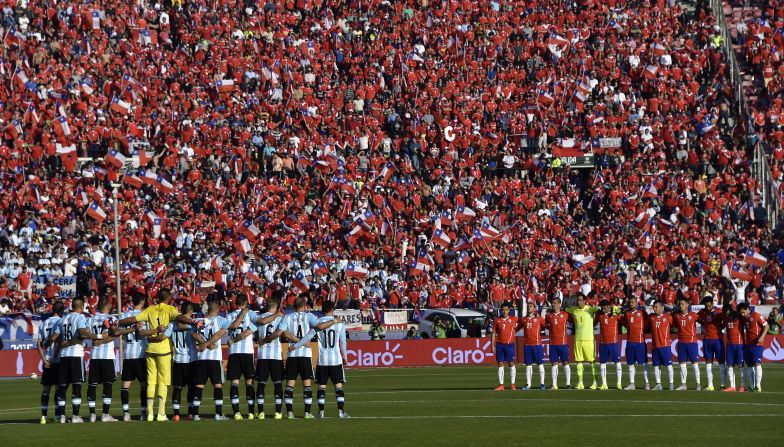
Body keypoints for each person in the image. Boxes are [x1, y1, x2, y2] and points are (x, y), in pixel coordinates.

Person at [116, 290, 199, 421]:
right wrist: (193, 322)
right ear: (169, 298)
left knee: (151, 382)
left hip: (150, 351)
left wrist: (119, 322)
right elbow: (180, 318)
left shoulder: (150, 310)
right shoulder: (170, 309)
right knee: (163, 383)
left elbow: (132, 319)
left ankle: (149, 414)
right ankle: (161, 414)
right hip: (163, 351)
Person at [265, 295, 337, 418]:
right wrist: (334, 320)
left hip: (292, 355)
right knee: (307, 385)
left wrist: (267, 339)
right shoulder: (309, 316)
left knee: (290, 385)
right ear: (304, 306)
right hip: (304, 355)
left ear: (294, 307)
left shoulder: (287, 317)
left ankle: (289, 412)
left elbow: (281, 333)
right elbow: (320, 327)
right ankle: (307, 412)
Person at [289, 300, 350, 419]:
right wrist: (345, 356)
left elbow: (307, 337)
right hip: (336, 360)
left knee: (322, 386)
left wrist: (295, 346)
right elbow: (342, 341)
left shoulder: (317, 323)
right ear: (332, 310)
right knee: (338, 386)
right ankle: (341, 412)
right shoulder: (339, 323)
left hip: (322, 360)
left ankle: (321, 412)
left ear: (322, 310)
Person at [49, 297, 102, 423]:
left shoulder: (62, 319)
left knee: (62, 386)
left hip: (63, 356)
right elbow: (83, 334)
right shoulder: (80, 317)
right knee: (76, 385)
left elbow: (54, 337)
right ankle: (75, 416)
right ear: (82, 306)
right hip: (76, 355)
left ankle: (62, 416)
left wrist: (46, 344)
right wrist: (97, 336)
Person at [246, 296, 286, 419]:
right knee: (278, 384)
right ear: (275, 307)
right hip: (276, 356)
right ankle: (278, 412)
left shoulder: (260, 318)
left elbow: (250, 331)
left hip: (263, 356)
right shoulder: (280, 318)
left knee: (261, 384)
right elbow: (284, 333)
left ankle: (261, 412)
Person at [110, 294, 149, 421]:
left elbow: (116, 332)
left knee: (125, 385)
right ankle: (143, 412)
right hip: (140, 354)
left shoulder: (124, 316)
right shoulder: (145, 315)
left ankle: (126, 413)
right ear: (142, 301)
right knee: (144, 384)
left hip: (127, 355)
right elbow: (146, 333)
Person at [192, 300, 230, 421]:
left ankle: (196, 415)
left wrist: (204, 344)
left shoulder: (200, 321)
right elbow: (220, 334)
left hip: (202, 358)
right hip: (214, 358)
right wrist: (208, 344)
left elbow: (194, 334)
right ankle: (218, 414)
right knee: (218, 385)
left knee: (199, 386)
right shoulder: (221, 320)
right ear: (217, 311)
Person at [225, 294, 258, 420]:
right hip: (247, 351)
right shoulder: (250, 313)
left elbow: (227, 328)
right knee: (249, 382)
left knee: (235, 383)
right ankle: (250, 412)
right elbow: (259, 323)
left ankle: (236, 413)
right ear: (246, 303)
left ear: (236, 303)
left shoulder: (229, 316)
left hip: (233, 352)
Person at [86, 298, 118, 422]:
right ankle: (105, 414)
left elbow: (88, 334)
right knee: (108, 385)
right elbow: (115, 333)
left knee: (92, 385)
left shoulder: (91, 319)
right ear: (108, 306)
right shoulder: (111, 319)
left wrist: (97, 340)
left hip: (94, 357)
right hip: (107, 357)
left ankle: (92, 414)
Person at [169, 302, 198, 421]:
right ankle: (190, 413)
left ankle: (176, 414)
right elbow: (196, 336)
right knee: (191, 387)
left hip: (177, 359)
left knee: (177, 387)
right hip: (190, 359)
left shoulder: (172, 325)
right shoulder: (192, 325)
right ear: (190, 312)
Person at [37, 301, 64, 424]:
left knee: (46, 389)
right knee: (58, 389)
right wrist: (53, 359)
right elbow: (58, 343)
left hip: (47, 360)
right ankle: (58, 415)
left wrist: (44, 359)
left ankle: (43, 416)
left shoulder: (44, 323)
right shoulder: (61, 322)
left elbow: (39, 343)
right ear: (61, 311)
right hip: (57, 360)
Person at [565, 293, 599, 390]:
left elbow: (602, 310)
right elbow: (564, 310)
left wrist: (615, 310)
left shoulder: (590, 309)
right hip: (578, 339)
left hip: (588, 339)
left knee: (592, 361)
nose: (579, 302)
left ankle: (595, 382)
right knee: (579, 361)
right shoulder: (574, 309)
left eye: (580, 300)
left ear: (585, 301)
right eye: (578, 300)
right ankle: (580, 383)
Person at [738, 302, 769, 392]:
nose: (742, 314)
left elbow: (766, 326)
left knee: (757, 363)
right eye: (741, 313)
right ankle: (751, 386)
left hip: (757, 344)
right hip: (748, 344)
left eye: (743, 312)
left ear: (748, 309)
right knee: (749, 365)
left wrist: (762, 337)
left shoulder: (756, 315)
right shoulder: (743, 318)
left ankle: (758, 386)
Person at [672, 297, 701, 391]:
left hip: (692, 342)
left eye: (682, 304)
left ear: (687, 305)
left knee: (694, 364)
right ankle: (683, 384)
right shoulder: (677, 316)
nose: (681, 306)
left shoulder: (693, 315)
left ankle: (698, 384)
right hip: (681, 343)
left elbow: (701, 320)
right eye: (680, 304)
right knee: (682, 364)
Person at [621, 297, 650, 390]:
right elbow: (624, 323)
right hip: (630, 342)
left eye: (633, 302)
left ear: (637, 303)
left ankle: (647, 383)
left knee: (644, 364)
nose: (631, 304)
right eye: (630, 302)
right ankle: (632, 384)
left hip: (640, 342)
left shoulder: (642, 312)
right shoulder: (627, 313)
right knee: (630, 364)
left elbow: (648, 322)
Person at [697, 296, 725, 391]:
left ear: (712, 304)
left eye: (709, 306)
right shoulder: (702, 311)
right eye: (706, 306)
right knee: (708, 362)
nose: (707, 308)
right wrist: (702, 322)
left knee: (721, 362)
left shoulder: (719, 311)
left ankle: (723, 385)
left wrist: (720, 327)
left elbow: (725, 320)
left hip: (717, 339)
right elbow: (696, 318)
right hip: (707, 339)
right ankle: (710, 385)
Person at [490, 302, 519, 390]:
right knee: (500, 363)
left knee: (511, 363)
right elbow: (494, 332)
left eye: (506, 310)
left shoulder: (514, 319)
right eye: (503, 310)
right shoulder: (497, 320)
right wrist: (492, 345)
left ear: (509, 310)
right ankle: (501, 385)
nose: (504, 312)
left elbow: (522, 324)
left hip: (509, 344)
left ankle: (512, 384)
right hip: (499, 344)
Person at [595, 300, 622, 390]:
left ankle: (619, 383)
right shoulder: (599, 315)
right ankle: (604, 384)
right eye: (602, 306)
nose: (603, 308)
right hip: (603, 343)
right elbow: (593, 323)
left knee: (617, 363)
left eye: (605, 306)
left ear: (609, 307)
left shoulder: (615, 315)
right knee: (602, 363)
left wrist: (617, 310)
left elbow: (622, 316)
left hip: (613, 343)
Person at [545, 297, 571, 389]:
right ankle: (554, 384)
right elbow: (546, 325)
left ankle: (568, 384)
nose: (553, 304)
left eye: (555, 303)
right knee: (554, 363)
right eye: (552, 303)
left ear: (559, 304)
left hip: (563, 343)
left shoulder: (565, 314)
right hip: (553, 343)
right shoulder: (549, 315)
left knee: (565, 362)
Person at [649, 300, 675, 390]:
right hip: (655, 346)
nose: (654, 308)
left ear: (661, 307)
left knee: (669, 366)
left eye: (656, 307)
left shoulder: (668, 317)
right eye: (653, 307)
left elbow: (675, 326)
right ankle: (658, 384)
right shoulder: (651, 317)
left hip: (665, 345)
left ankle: (671, 384)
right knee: (656, 365)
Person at [520, 302, 546, 390]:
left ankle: (542, 384)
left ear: (534, 308)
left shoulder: (538, 318)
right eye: (528, 307)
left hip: (537, 345)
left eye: (531, 307)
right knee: (528, 365)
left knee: (540, 364)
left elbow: (545, 325)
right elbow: (516, 329)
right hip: (527, 345)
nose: (529, 308)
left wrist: (540, 316)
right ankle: (528, 384)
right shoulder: (523, 319)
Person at [722, 293, 745, 392]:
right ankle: (732, 386)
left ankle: (743, 386)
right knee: (730, 365)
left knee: (740, 365)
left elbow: (742, 312)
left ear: (730, 310)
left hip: (739, 344)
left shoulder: (738, 316)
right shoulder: (725, 318)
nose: (726, 313)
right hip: (730, 344)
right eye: (724, 312)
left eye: (727, 311)